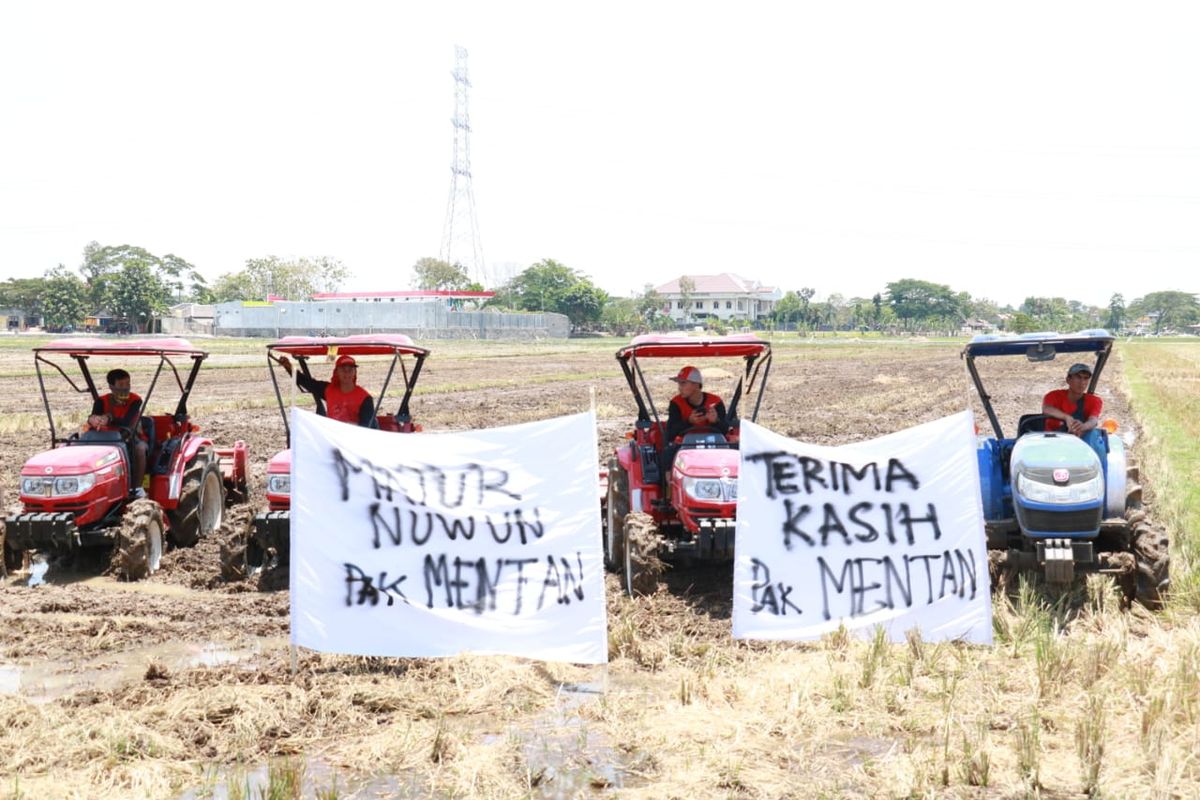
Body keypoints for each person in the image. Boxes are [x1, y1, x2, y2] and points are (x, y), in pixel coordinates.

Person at [88, 368, 149, 495]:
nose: (125, 388)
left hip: (130, 436)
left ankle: (137, 488)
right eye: (121, 385)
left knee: (140, 449)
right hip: (105, 438)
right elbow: (95, 417)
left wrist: (108, 418)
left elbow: (126, 422)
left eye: (128, 384)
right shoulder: (101, 401)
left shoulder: (135, 400)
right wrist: (94, 419)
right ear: (111, 386)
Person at [278, 354, 377, 427]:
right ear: (337, 372)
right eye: (343, 369)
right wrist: (289, 367)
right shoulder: (329, 390)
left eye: (350, 370)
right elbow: (307, 383)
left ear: (355, 372)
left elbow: (366, 429)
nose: (347, 373)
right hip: (332, 438)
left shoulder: (365, 398)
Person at [1042, 362, 1106, 460]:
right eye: (1078, 377)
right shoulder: (1053, 396)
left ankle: (1097, 470)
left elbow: (1093, 420)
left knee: (1096, 440)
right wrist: (1067, 417)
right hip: (1053, 440)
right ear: (1068, 380)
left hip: (1081, 441)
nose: (1082, 382)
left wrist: (1083, 427)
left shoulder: (1094, 401)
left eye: (1085, 378)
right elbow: (1046, 409)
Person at [665, 365, 729, 443]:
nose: (679, 388)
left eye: (683, 383)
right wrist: (689, 422)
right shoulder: (676, 403)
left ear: (696, 384)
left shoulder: (715, 402)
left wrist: (715, 421)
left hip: (712, 444)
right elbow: (670, 434)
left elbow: (725, 431)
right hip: (685, 446)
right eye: (679, 384)